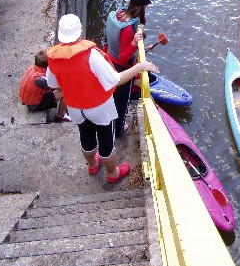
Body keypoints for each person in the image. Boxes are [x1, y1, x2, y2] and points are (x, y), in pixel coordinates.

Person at [46, 14, 159, 184]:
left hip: (76, 108)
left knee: (86, 136)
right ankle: (112, 173)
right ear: (80, 31)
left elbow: (53, 83)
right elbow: (116, 80)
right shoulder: (91, 55)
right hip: (99, 107)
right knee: (106, 141)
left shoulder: (53, 58)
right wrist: (140, 67)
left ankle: (92, 165)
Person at [104, 0, 151, 138]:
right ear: (140, 8)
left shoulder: (118, 14)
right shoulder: (127, 30)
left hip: (109, 61)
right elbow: (124, 57)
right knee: (122, 102)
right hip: (121, 69)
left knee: (112, 98)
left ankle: (110, 122)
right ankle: (118, 129)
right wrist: (134, 42)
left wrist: (140, 47)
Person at [19, 49, 70, 122]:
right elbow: (60, 88)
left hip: (29, 98)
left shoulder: (32, 68)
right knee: (66, 92)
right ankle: (60, 116)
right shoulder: (41, 79)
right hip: (34, 105)